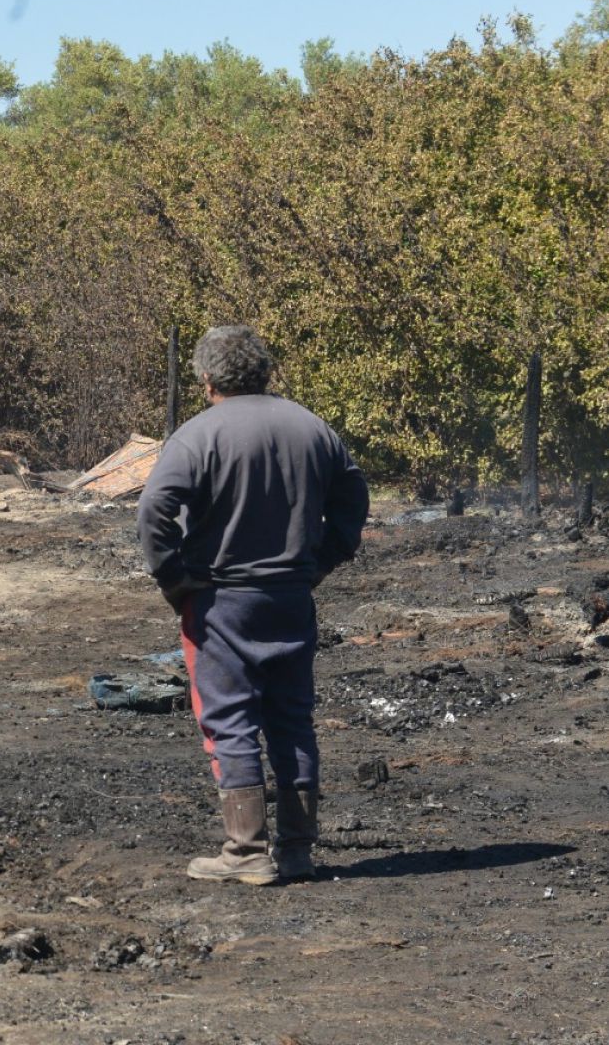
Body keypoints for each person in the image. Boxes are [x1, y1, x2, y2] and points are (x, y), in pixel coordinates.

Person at [136, 325, 369, 885]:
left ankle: (245, 854)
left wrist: (174, 579)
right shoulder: (312, 427)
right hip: (291, 596)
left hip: (220, 601)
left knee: (229, 721)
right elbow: (353, 499)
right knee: (292, 720)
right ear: (265, 372)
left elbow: (153, 512)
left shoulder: (197, 435)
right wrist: (322, 561)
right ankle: (296, 851)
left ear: (207, 380)